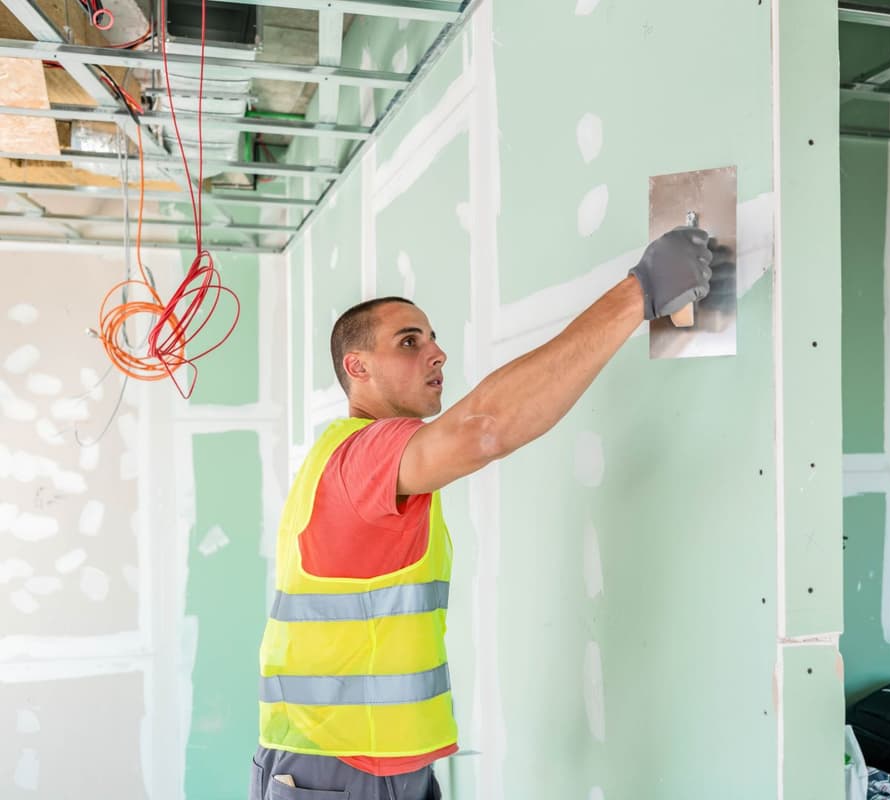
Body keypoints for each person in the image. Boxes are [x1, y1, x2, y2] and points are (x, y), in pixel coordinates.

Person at [248, 226, 715, 799]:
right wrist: (637, 293)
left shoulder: (346, 457)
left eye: (433, 339)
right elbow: (484, 430)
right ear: (358, 368)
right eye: (409, 342)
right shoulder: (363, 455)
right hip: (347, 767)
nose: (436, 352)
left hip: (352, 761)